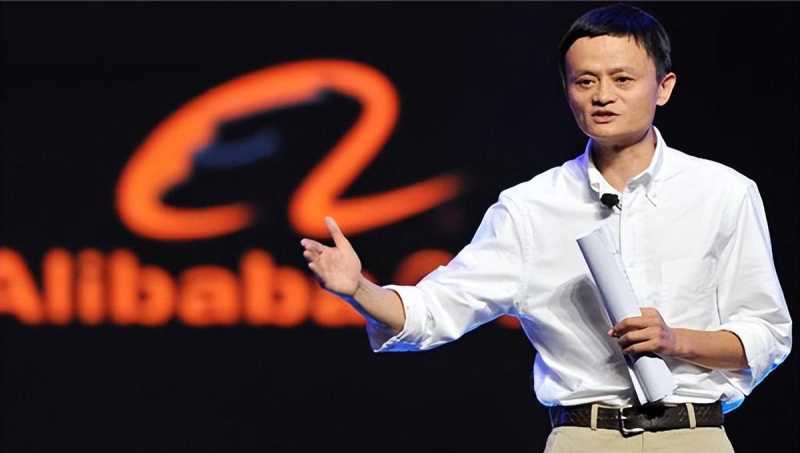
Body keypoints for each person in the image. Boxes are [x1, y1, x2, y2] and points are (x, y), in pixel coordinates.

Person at [299, 4, 791, 452]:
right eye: (585, 82)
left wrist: (674, 340)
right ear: (567, 90)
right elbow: (439, 308)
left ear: (663, 87)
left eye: (622, 79)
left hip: (694, 434)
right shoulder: (530, 207)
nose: (603, 96)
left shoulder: (723, 192)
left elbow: (766, 334)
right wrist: (358, 288)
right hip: (584, 437)